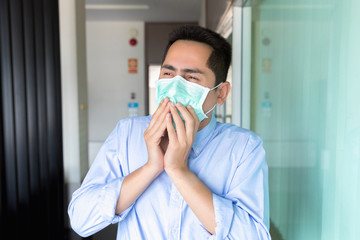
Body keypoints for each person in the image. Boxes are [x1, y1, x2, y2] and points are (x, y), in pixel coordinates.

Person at [68, 25, 270, 239]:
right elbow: (81, 221)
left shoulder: (243, 147)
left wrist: (178, 170)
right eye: (168, 73)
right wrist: (150, 168)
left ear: (221, 93)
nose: (175, 85)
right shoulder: (127, 134)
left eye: (191, 78)